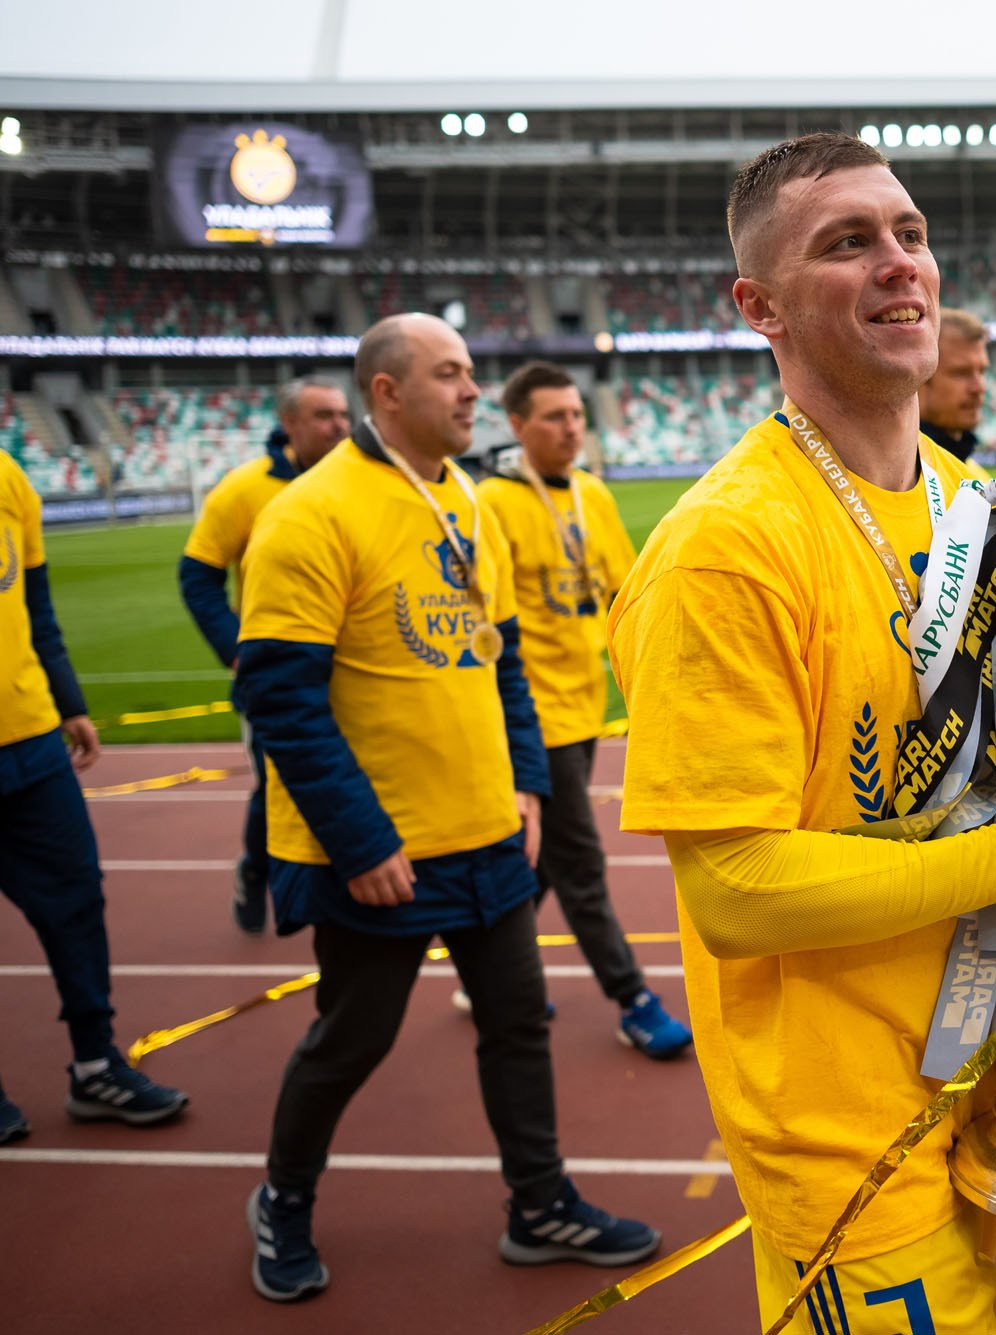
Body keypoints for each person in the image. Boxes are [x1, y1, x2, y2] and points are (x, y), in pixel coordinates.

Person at [610, 132, 996, 1335]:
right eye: (846, 243)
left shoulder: (977, 504)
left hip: (984, 1064)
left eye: (909, 233)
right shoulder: (725, 549)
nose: (899, 262)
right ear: (760, 307)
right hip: (841, 1125)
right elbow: (734, 891)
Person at [234, 314, 657, 1303]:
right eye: (449, 374)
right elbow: (280, 699)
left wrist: (526, 785)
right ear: (386, 392)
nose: (473, 391)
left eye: (471, 372)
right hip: (379, 852)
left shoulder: (465, 498)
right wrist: (359, 840)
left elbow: (503, 667)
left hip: (487, 832)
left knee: (516, 1025)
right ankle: (282, 1198)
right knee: (353, 1038)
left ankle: (539, 1203)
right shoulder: (310, 514)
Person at [472, 360, 691, 1058]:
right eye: (554, 417)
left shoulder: (592, 493)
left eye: (576, 415)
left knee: (544, 859)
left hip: (584, 704)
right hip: (532, 714)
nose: (571, 428)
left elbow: (624, 594)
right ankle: (632, 998)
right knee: (579, 861)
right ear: (517, 425)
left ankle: (492, 973)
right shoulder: (490, 504)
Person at [0, 451, 190, 1146]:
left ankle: (95, 1064)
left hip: (30, 738)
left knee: (77, 899)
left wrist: (68, 699)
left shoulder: (8, 476)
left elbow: (35, 606)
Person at [179, 376, 351, 935]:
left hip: (355, 673)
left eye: (343, 414)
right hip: (279, 676)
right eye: (323, 416)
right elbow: (197, 575)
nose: (338, 426)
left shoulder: (360, 481)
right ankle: (256, 871)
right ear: (289, 423)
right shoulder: (244, 488)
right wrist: (237, 651)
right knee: (277, 786)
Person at [917, 306, 991, 476]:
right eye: (961, 373)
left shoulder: (978, 477)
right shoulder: (894, 478)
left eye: (982, 372)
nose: (979, 387)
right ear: (919, 375)